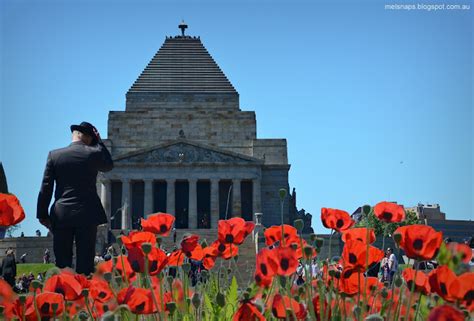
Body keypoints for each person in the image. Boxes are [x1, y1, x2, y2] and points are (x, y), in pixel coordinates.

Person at [36, 122, 113, 275]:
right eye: (91, 138)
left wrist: (43, 215)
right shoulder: (93, 153)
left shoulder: (55, 155)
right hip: (87, 214)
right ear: (85, 136)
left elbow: (46, 188)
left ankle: (63, 295)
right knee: (85, 264)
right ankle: (83, 295)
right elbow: (108, 165)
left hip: (62, 214)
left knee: (63, 263)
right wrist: (99, 143)